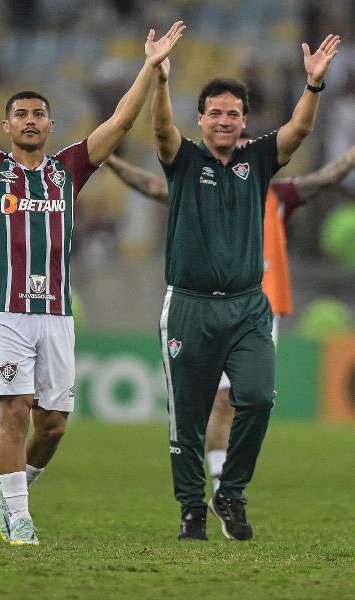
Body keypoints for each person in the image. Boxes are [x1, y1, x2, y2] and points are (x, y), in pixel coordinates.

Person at [0, 21, 185, 545]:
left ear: (51, 125)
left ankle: (14, 487)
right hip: (8, 313)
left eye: (38, 114)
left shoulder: (68, 170)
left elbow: (122, 121)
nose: (30, 121)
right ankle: (19, 514)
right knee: (13, 412)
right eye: (21, 115)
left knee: (52, 426)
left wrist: (149, 67)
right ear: (7, 126)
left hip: (57, 316)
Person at [150, 34, 339, 541]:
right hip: (188, 305)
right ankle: (192, 509)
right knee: (186, 420)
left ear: (244, 121)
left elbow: (299, 129)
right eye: (215, 113)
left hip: (248, 306)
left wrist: (314, 83)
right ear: (202, 119)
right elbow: (161, 128)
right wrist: (159, 79)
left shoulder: (256, 159)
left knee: (257, 398)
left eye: (233, 114)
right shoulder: (184, 159)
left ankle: (229, 492)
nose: (224, 121)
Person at [106, 141, 355, 494]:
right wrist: (112, 160)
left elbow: (326, 177)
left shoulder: (275, 195)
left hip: (261, 310)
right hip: (211, 304)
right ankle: (222, 485)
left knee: (250, 401)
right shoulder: (199, 184)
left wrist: (351, 155)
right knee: (221, 401)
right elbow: (152, 186)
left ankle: (225, 481)